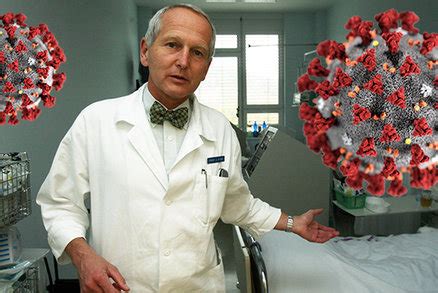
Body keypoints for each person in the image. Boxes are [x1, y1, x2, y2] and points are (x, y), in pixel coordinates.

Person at [37, 4, 339, 292]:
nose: (183, 61)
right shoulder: (97, 121)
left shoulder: (219, 129)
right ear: (145, 51)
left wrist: (292, 223)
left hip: (198, 285)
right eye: (172, 45)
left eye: (197, 53)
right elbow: (60, 202)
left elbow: (237, 204)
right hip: (119, 286)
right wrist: (83, 256)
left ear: (206, 68)